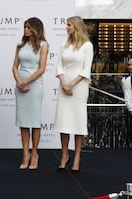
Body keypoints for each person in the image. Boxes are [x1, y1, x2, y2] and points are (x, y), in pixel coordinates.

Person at [54, 16, 94, 173]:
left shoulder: (87, 46)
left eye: (69, 25)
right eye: (66, 25)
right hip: (64, 86)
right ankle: (64, 156)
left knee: (78, 123)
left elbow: (86, 70)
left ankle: (77, 157)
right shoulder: (64, 45)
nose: (66, 27)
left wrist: (71, 84)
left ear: (76, 27)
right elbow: (59, 66)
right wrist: (64, 83)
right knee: (64, 122)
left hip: (79, 87)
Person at [12, 17, 48, 170]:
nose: (26, 30)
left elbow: (42, 69)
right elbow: (14, 66)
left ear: (35, 29)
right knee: (23, 122)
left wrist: (25, 82)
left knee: (34, 121)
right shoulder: (20, 45)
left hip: (34, 87)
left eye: (28, 27)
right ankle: (25, 154)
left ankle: (34, 154)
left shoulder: (43, 45)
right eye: (25, 27)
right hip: (20, 87)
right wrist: (19, 81)